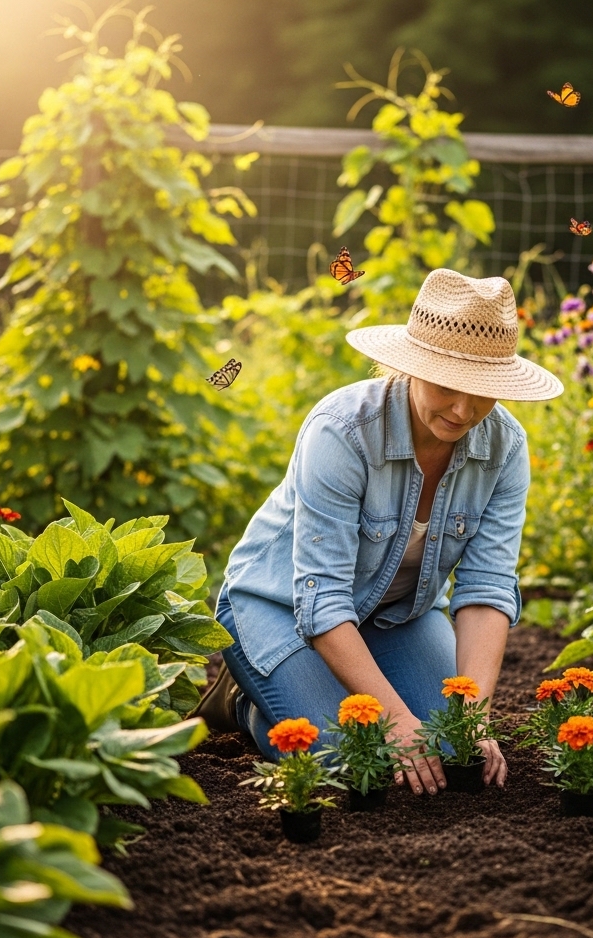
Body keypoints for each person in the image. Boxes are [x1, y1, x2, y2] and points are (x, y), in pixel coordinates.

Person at [195, 268, 563, 795]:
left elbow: (486, 588)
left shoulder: (504, 447)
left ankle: (333, 690)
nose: (463, 410)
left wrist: (473, 718)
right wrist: (394, 723)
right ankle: (246, 699)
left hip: (395, 616)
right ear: (413, 367)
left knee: (446, 744)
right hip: (281, 608)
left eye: (482, 392)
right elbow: (321, 601)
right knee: (357, 760)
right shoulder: (343, 431)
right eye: (446, 386)